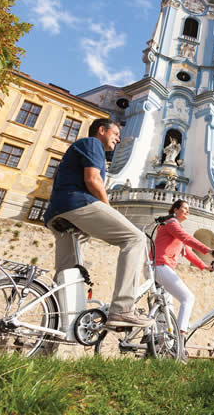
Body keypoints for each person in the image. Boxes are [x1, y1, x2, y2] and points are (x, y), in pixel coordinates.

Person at [43, 118, 154, 328]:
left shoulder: (79, 148)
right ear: (101, 130)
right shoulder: (92, 143)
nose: (118, 139)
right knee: (135, 238)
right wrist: (107, 208)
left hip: (57, 212)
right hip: (77, 204)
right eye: (115, 134)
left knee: (68, 274)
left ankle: (52, 331)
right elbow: (93, 179)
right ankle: (122, 309)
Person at [154, 199, 214, 339]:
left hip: (161, 268)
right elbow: (186, 238)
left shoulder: (176, 227)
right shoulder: (171, 223)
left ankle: (164, 343)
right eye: (185, 208)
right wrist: (209, 250)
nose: (188, 211)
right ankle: (181, 336)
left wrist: (205, 266)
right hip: (160, 266)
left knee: (168, 311)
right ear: (175, 210)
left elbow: (188, 252)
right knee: (188, 298)